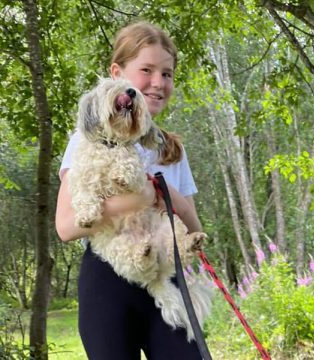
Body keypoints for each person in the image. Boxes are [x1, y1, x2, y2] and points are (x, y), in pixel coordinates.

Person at [55, 21, 203, 360]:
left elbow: (194, 226)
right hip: (108, 279)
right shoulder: (87, 140)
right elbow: (65, 226)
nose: (158, 83)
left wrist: (174, 200)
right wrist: (143, 198)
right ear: (117, 73)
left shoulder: (170, 148)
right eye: (146, 70)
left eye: (167, 74)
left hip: (166, 268)